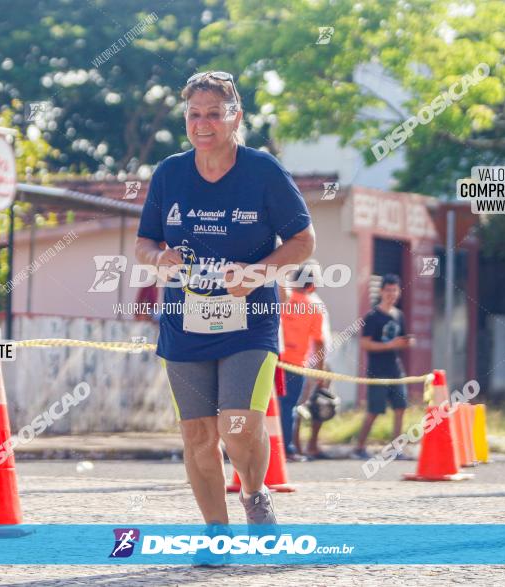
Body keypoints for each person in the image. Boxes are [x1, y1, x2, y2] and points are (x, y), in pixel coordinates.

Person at [135, 70, 316, 527]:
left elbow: (302, 240)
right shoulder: (169, 173)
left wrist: (256, 274)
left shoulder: (263, 171)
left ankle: (255, 495)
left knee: (237, 428)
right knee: (197, 433)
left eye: (214, 114)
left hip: (249, 319)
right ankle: (216, 532)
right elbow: (144, 245)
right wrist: (162, 260)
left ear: (235, 118)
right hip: (184, 320)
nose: (203, 124)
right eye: (194, 114)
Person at [353, 273, 415, 459]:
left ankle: (396, 449)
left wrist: (406, 342)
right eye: (388, 290)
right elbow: (364, 343)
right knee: (374, 410)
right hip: (377, 370)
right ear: (381, 291)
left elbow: (401, 338)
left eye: (395, 290)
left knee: (400, 407)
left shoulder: (399, 315)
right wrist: (389, 345)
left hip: (396, 369)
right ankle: (359, 447)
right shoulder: (372, 316)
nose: (391, 294)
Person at [278, 261, 328, 461]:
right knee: (288, 407)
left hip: (273, 361)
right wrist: (320, 372)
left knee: (266, 407)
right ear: (312, 286)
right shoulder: (314, 308)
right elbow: (320, 343)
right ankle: (287, 450)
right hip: (295, 365)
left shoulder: (281, 300)